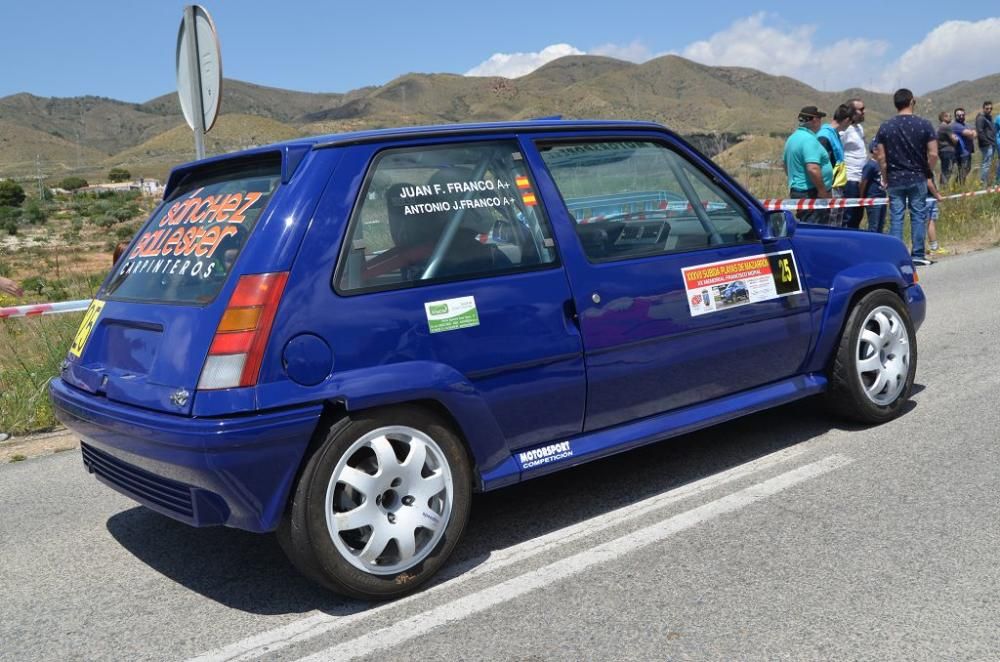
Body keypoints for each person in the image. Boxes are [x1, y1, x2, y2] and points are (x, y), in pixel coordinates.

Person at [874, 88, 938, 266]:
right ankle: (917, 254)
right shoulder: (924, 124)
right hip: (917, 177)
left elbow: (881, 157)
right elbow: (933, 153)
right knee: (918, 215)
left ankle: (896, 256)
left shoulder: (885, 127)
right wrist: (927, 172)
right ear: (912, 102)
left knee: (896, 217)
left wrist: (885, 177)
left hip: (895, 178)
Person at [782, 105, 833, 224]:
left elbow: (785, 164)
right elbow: (813, 168)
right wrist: (822, 191)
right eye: (819, 119)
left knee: (806, 224)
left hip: (799, 190)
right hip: (811, 193)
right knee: (816, 230)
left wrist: (796, 178)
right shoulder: (809, 140)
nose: (821, 122)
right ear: (814, 120)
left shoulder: (792, 139)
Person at [817, 104, 852, 226]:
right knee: (830, 222)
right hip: (830, 186)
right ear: (847, 120)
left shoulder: (834, 134)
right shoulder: (824, 136)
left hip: (838, 185)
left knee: (837, 222)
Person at [840, 98, 867, 228]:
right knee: (848, 216)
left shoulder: (860, 128)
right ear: (852, 112)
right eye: (861, 110)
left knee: (858, 215)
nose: (864, 112)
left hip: (861, 179)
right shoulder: (844, 130)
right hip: (850, 178)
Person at [859, 139, 887, 233]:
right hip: (873, 199)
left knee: (881, 224)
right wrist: (861, 197)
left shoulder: (881, 164)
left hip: (882, 198)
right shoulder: (870, 165)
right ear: (875, 150)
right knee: (874, 226)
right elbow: (864, 181)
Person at [951, 108, 976, 184]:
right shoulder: (955, 126)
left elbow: (974, 133)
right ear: (955, 116)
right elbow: (970, 133)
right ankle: (960, 186)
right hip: (961, 152)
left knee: (967, 169)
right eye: (959, 115)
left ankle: (959, 185)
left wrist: (972, 133)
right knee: (963, 170)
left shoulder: (966, 124)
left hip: (967, 151)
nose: (961, 116)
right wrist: (971, 133)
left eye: (962, 115)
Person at [975, 101, 998, 184]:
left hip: (991, 144)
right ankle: (983, 181)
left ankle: (987, 180)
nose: (989, 110)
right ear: (983, 108)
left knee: (989, 163)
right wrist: (987, 143)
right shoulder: (980, 118)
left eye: (991, 108)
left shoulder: (989, 117)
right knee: (986, 163)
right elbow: (980, 131)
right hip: (986, 145)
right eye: (987, 108)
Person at [925, 175, 947, 256]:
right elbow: (929, 182)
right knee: (930, 221)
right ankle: (934, 247)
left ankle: (921, 248)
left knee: (924, 221)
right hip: (928, 197)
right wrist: (937, 195)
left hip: (921, 195)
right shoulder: (926, 166)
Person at [937, 111, 958, 186]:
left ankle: (943, 186)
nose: (951, 118)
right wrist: (956, 138)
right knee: (947, 170)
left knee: (946, 169)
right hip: (948, 151)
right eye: (949, 116)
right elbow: (954, 139)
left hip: (943, 151)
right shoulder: (946, 127)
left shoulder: (940, 127)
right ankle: (944, 187)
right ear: (944, 118)